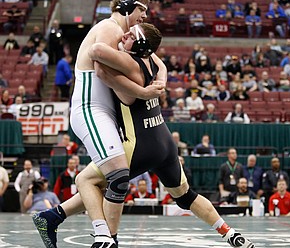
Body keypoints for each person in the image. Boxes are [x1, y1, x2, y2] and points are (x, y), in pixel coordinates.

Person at [33, 22, 254, 248]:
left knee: (88, 180)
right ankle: (229, 233)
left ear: (138, 46)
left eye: (131, 36)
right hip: (165, 144)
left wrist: (139, 88)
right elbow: (158, 61)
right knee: (186, 196)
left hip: (140, 145)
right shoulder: (153, 63)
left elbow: (98, 61)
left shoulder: (130, 65)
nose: (125, 34)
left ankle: (107, 238)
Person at [33, 0, 166, 248]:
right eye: (142, 9)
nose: (145, 15)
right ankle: (104, 236)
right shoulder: (109, 28)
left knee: (99, 179)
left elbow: (158, 64)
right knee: (118, 175)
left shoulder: (127, 35)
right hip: (90, 110)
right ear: (126, 5)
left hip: (104, 113)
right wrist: (144, 92)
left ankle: (50, 217)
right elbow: (101, 69)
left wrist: (159, 82)